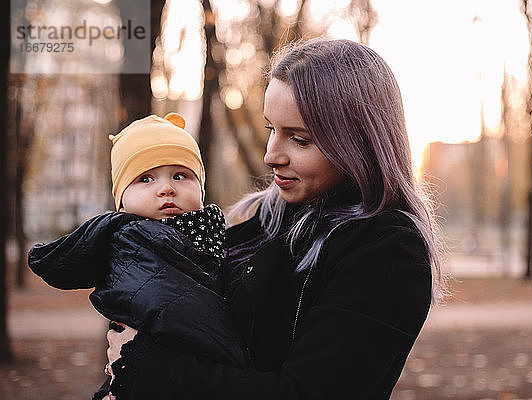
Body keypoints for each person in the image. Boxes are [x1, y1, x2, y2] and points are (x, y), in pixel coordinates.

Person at [104, 38, 444, 400]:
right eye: (271, 129)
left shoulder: (387, 250)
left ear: (357, 143)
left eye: (299, 139)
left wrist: (145, 368)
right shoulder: (268, 221)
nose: (271, 155)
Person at [27, 113, 250, 399]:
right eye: (146, 179)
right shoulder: (133, 242)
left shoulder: (214, 238)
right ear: (122, 201)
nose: (166, 188)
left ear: (201, 189)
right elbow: (170, 306)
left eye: (180, 176)